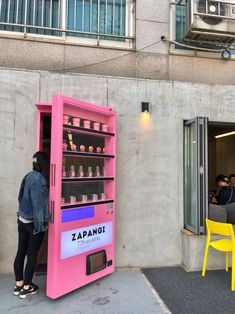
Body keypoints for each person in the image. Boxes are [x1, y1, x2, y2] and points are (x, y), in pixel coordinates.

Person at [13, 151, 50, 299]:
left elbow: (20, 197)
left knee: (21, 252)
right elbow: (38, 205)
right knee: (32, 254)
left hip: (22, 220)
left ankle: (19, 284)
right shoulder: (40, 180)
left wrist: (21, 215)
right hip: (34, 223)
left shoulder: (28, 175)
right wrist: (42, 223)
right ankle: (27, 287)